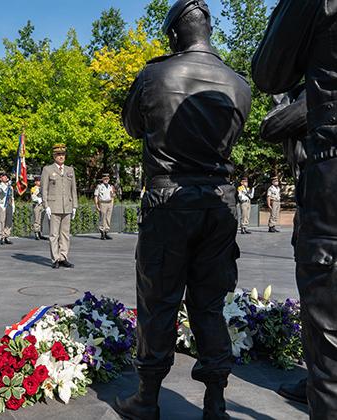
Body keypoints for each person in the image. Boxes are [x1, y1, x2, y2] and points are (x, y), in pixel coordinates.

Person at [115, 1, 251, 419]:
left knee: (158, 300)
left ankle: (147, 398)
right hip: (219, 202)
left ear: (174, 34)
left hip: (168, 200)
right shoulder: (238, 83)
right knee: (209, 304)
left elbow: (131, 125)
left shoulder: (155, 74)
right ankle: (215, 402)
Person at [253, 1, 337, 414]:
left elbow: (268, 70)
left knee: (325, 303)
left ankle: (322, 383)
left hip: (329, 184)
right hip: (316, 188)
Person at [260, 87, 308, 405]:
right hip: (315, 202)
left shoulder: (316, 91)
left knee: (321, 301)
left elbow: (271, 126)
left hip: (321, 205)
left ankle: (322, 380)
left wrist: (282, 94)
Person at [41, 143, 78, 269]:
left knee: (65, 234)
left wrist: (74, 206)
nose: (61, 157)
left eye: (63, 154)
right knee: (54, 234)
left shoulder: (70, 170)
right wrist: (46, 205)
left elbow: (74, 189)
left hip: (67, 205)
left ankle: (63, 257)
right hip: (54, 206)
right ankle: (55, 258)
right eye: (58, 154)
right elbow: (44, 189)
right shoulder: (48, 169)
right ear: (54, 156)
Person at [94, 173, 115, 240]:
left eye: (107, 179)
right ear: (102, 179)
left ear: (109, 179)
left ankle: (106, 232)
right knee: (103, 218)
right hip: (102, 203)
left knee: (108, 218)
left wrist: (112, 203)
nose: (106, 180)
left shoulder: (110, 186)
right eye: (105, 179)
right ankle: (102, 233)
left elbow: (113, 195)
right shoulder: (99, 186)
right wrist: (96, 205)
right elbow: (96, 196)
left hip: (109, 203)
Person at [0, 172, 14, 245]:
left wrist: (13, 205)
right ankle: (2, 236)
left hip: (9, 204)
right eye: (3, 176)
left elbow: (12, 196)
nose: (5, 177)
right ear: (0, 178)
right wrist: (8, 185)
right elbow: (3, 191)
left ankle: (7, 235)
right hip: (2, 205)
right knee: (2, 221)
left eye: (6, 176)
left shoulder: (10, 187)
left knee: (9, 221)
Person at [30, 176, 48, 240]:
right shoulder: (34, 188)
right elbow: (33, 197)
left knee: (41, 220)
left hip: (42, 205)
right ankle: (36, 233)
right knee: (37, 220)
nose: (40, 182)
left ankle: (40, 232)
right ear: (35, 182)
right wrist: (38, 199)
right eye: (38, 181)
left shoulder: (43, 188)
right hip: (37, 205)